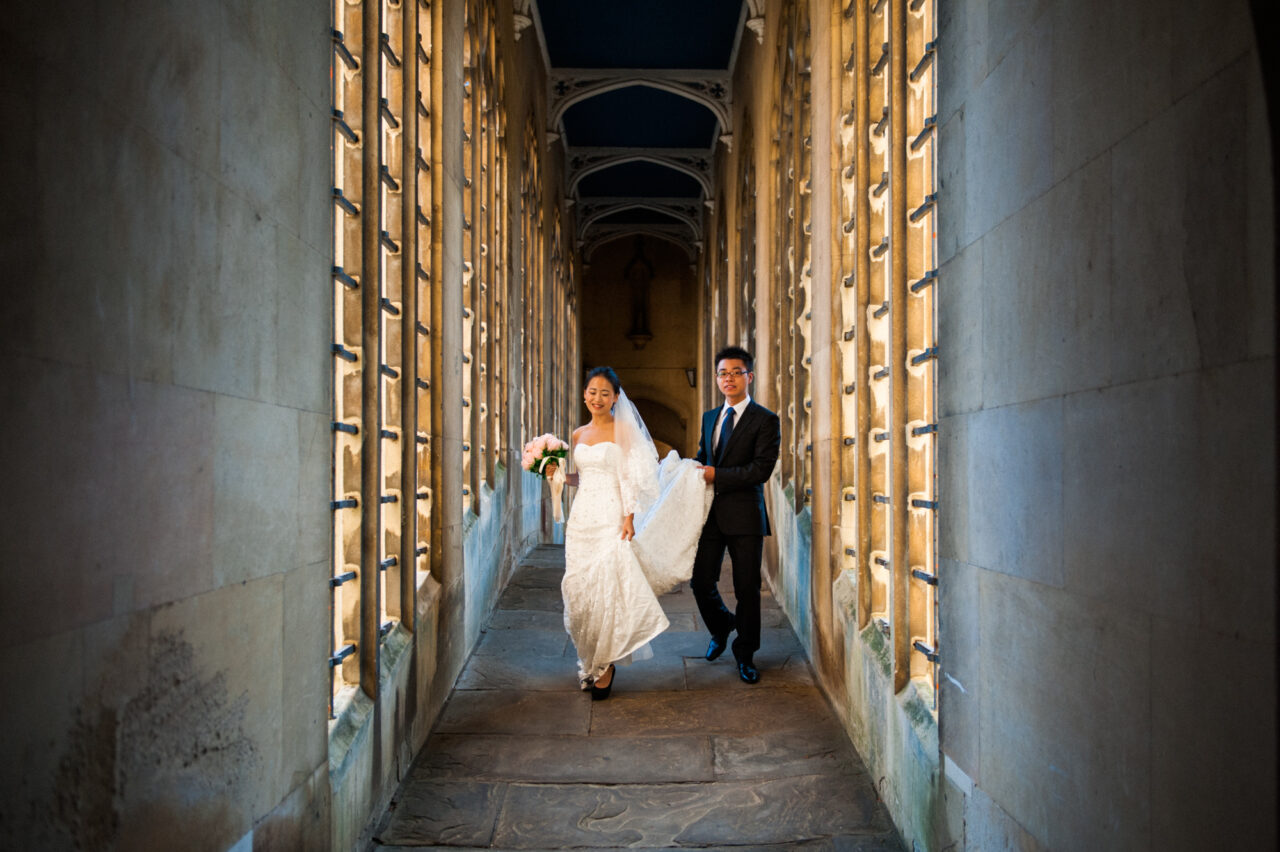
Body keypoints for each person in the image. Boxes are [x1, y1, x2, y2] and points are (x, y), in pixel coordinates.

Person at [544, 367, 710, 699]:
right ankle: (589, 659)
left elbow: (631, 477)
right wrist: (556, 474)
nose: (597, 398)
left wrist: (629, 517)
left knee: (607, 587)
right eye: (592, 392)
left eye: (605, 393)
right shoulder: (577, 435)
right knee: (580, 589)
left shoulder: (624, 431)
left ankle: (605, 664)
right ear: (584, 394)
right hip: (582, 521)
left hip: (611, 516)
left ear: (616, 398)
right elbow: (582, 478)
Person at [692, 346, 781, 684]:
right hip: (711, 514)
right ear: (717, 379)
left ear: (749, 376)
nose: (728, 378)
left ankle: (745, 655)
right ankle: (721, 625)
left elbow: (760, 470)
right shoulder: (710, 417)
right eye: (722, 373)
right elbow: (704, 456)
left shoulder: (766, 420)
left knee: (747, 589)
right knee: (700, 580)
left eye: (735, 372)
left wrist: (717, 475)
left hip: (745, 517)